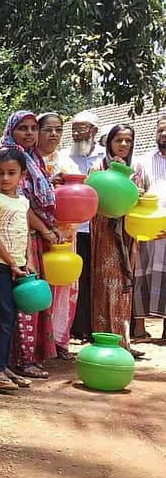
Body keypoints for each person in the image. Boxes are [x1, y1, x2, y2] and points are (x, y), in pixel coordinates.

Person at [0, 111, 60, 379]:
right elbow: (20, 206)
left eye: (34, 128)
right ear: (11, 130)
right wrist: (44, 229)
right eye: (23, 128)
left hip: (30, 237)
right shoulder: (8, 156)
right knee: (18, 301)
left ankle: (23, 357)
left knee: (27, 299)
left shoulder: (32, 157)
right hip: (14, 240)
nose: (30, 133)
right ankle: (18, 360)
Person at [89, 125, 149, 353]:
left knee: (124, 286)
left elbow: (142, 200)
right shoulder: (98, 168)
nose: (123, 145)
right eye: (118, 140)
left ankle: (123, 341)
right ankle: (104, 340)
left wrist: (136, 195)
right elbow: (92, 199)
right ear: (109, 143)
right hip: (105, 233)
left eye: (127, 140)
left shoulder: (138, 169)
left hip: (127, 235)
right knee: (106, 286)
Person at [0, 147, 34, 393]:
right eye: (0, 173)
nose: (5, 178)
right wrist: (12, 263)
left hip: (18, 266)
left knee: (12, 317)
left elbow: (27, 233)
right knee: (3, 316)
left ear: (22, 174)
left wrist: (28, 260)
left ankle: (4, 365)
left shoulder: (23, 201)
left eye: (11, 173)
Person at [36, 112, 80, 359]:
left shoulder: (67, 162)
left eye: (58, 130)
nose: (53, 134)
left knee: (63, 288)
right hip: (39, 235)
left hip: (65, 237)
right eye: (47, 129)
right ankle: (39, 344)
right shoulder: (30, 161)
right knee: (41, 286)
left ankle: (60, 342)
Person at [67, 110, 104, 341]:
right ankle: (76, 328)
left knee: (95, 277)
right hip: (73, 229)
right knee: (76, 277)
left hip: (98, 228)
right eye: (74, 129)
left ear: (94, 131)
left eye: (82, 128)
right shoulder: (65, 158)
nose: (77, 134)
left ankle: (95, 327)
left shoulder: (103, 159)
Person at [132, 116, 166, 340]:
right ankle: (139, 328)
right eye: (160, 130)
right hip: (146, 226)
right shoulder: (141, 161)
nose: (164, 135)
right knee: (141, 275)